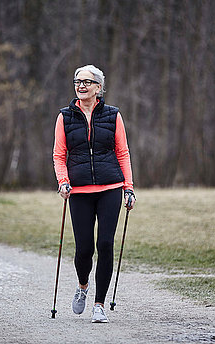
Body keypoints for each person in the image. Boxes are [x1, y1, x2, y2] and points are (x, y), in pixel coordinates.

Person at [52, 64, 136, 323]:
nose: (81, 86)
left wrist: (129, 187)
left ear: (99, 88)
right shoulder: (65, 117)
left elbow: (122, 152)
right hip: (79, 191)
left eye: (87, 82)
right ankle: (82, 285)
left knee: (105, 244)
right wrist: (63, 181)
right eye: (78, 81)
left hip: (110, 187)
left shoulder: (113, 116)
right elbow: (59, 154)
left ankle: (99, 304)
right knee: (84, 249)